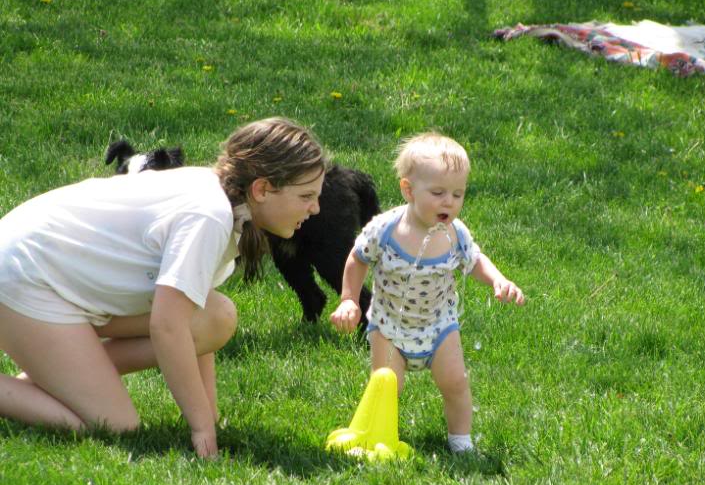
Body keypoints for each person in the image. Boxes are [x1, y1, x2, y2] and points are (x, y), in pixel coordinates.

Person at [0, 117, 327, 459]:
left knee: (216, 316)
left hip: (62, 285)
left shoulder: (224, 202)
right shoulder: (210, 216)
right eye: (306, 196)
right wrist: (201, 428)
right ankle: (57, 378)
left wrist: (210, 415)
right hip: (22, 279)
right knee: (114, 425)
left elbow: (185, 314)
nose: (315, 208)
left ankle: (63, 375)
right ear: (262, 190)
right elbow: (167, 327)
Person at [330, 132, 525, 453]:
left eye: (458, 194)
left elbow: (474, 260)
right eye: (438, 192)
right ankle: (379, 434)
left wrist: (497, 280)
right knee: (387, 385)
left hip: (438, 326)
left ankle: (461, 441)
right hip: (389, 326)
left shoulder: (454, 234)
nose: (449, 202)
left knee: (456, 383)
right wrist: (349, 299)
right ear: (408, 190)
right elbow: (358, 257)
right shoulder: (385, 229)